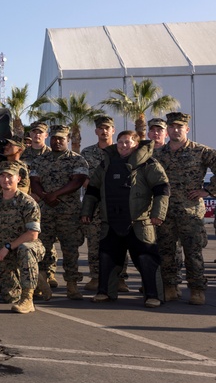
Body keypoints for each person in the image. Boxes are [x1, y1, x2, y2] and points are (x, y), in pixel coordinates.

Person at [81, 131, 167, 306]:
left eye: (127, 142)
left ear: (136, 144)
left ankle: (153, 296)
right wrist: (86, 211)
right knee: (107, 258)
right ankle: (105, 292)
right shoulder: (106, 164)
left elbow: (162, 189)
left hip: (139, 223)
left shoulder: (148, 163)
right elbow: (92, 190)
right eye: (120, 142)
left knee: (146, 259)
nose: (123, 145)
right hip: (111, 221)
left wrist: (158, 214)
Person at [154, 112, 216, 304]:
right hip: (165, 212)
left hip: (190, 212)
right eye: (171, 127)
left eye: (179, 127)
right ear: (168, 130)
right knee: (166, 251)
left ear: (187, 129)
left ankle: (197, 290)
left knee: (193, 252)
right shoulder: (158, 154)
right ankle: (171, 287)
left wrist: (208, 190)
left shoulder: (201, 151)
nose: (175, 130)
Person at [29, 125, 89, 301]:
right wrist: (44, 196)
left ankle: (72, 285)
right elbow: (35, 181)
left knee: (70, 250)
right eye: (54, 138)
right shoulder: (41, 160)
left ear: (68, 139)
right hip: (46, 212)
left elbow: (77, 181)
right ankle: (43, 282)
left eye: (61, 138)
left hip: (69, 213)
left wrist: (55, 194)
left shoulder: (77, 160)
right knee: (43, 249)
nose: (57, 141)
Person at [0, 161, 45, 314]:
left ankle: (28, 299)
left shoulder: (28, 203)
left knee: (26, 248)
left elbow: (32, 234)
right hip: (4, 253)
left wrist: (8, 247)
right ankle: (38, 279)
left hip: (26, 246)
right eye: (2, 176)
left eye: (10, 176)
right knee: (10, 297)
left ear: (18, 178)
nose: (6, 180)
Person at [79, 116, 117, 291]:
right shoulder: (87, 153)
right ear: (96, 131)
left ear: (113, 130)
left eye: (107, 128)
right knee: (94, 241)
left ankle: (119, 278)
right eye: (101, 128)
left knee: (118, 241)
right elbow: (82, 175)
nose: (104, 131)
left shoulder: (121, 150)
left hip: (117, 204)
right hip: (94, 204)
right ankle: (95, 277)